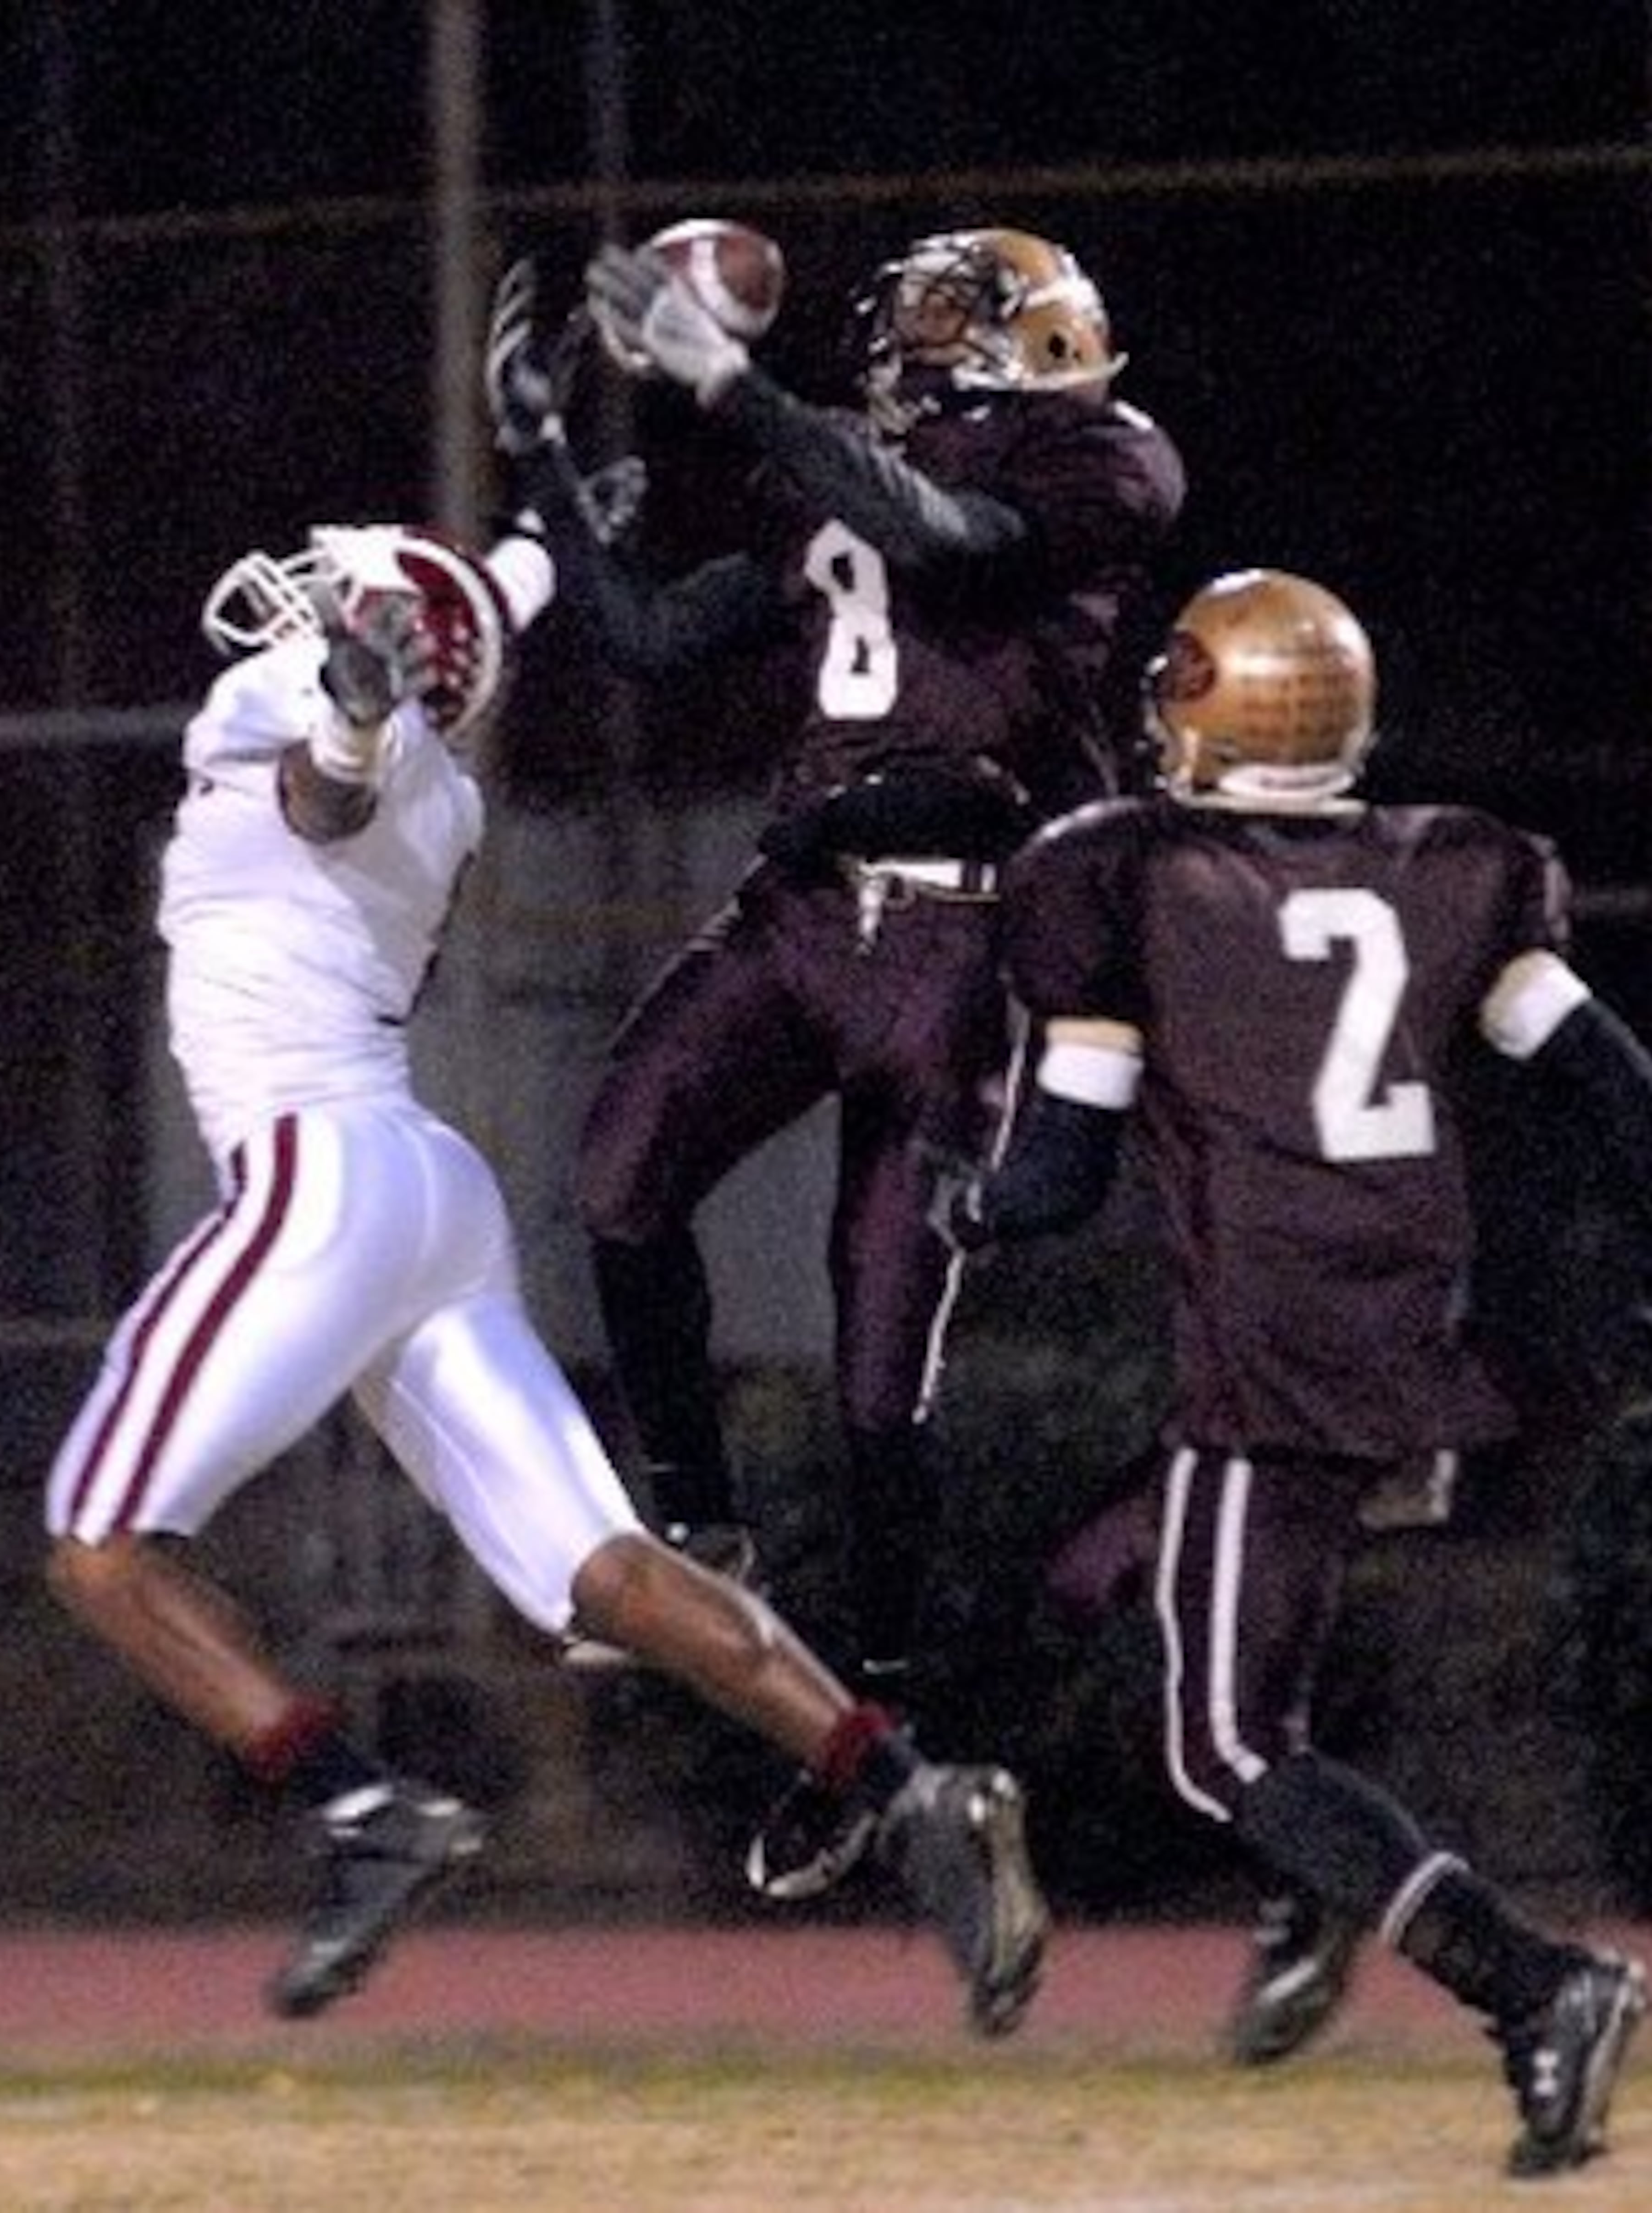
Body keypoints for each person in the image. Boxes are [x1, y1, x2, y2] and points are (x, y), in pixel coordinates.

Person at [42, 514, 1050, 2042]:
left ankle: (361, 1803)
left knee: (99, 1541)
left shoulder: (312, 713)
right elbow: (477, 623)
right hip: (425, 1192)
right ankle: (915, 1790)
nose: (310, 608)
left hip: (318, 1175)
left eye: (348, 607)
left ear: (382, 658)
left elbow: (329, 782)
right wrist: (540, 521)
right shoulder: (449, 788)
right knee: (611, 1574)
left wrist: (355, 701)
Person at [484, 231, 1186, 1877]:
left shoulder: (1109, 462)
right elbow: (654, 637)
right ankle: (699, 1505)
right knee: (618, 1174)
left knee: (884, 1384)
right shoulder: (832, 476)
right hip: (801, 911)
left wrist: (737, 388)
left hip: (967, 945)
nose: (916, 347)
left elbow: (945, 535)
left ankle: (873, 1736)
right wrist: (537, 455)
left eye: (947, 322)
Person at [932, 565, 1651, 2173]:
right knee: (1149, 1599)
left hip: (1278, 1354)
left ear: (1200, 708)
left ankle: (1534, 1984)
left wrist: (962, 1200)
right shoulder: (1451, 868)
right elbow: (1613, 1084)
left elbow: (1054, 1177)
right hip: (1409, 1327)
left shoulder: (1130, 883)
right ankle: (1310, 1890)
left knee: (1222, 1744)